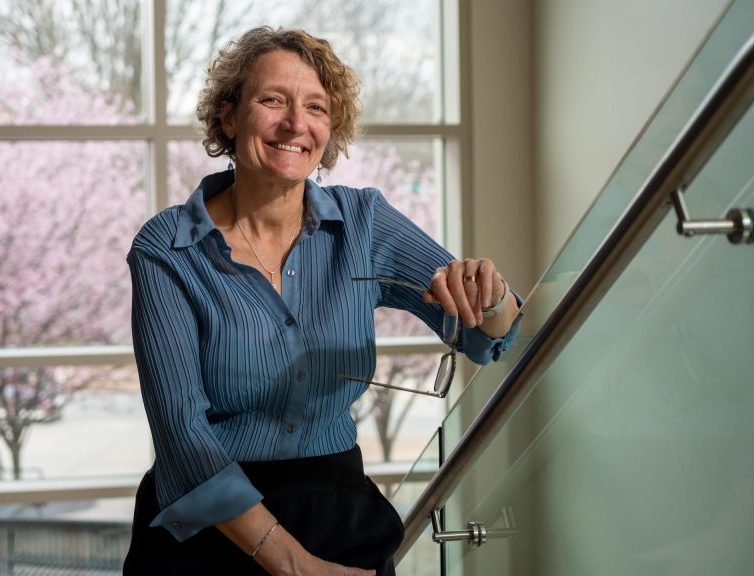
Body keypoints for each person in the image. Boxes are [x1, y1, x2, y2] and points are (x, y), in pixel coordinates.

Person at [123, 26, 521, 576]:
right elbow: (182, 438)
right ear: (229, 116)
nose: (295, 123)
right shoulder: (166, 247)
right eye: (272, 101)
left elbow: (483, 338)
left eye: (315, 106)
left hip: (340, 513)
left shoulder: (365, 223)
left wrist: (491, 291)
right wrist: (296, 566)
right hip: (208, 532)